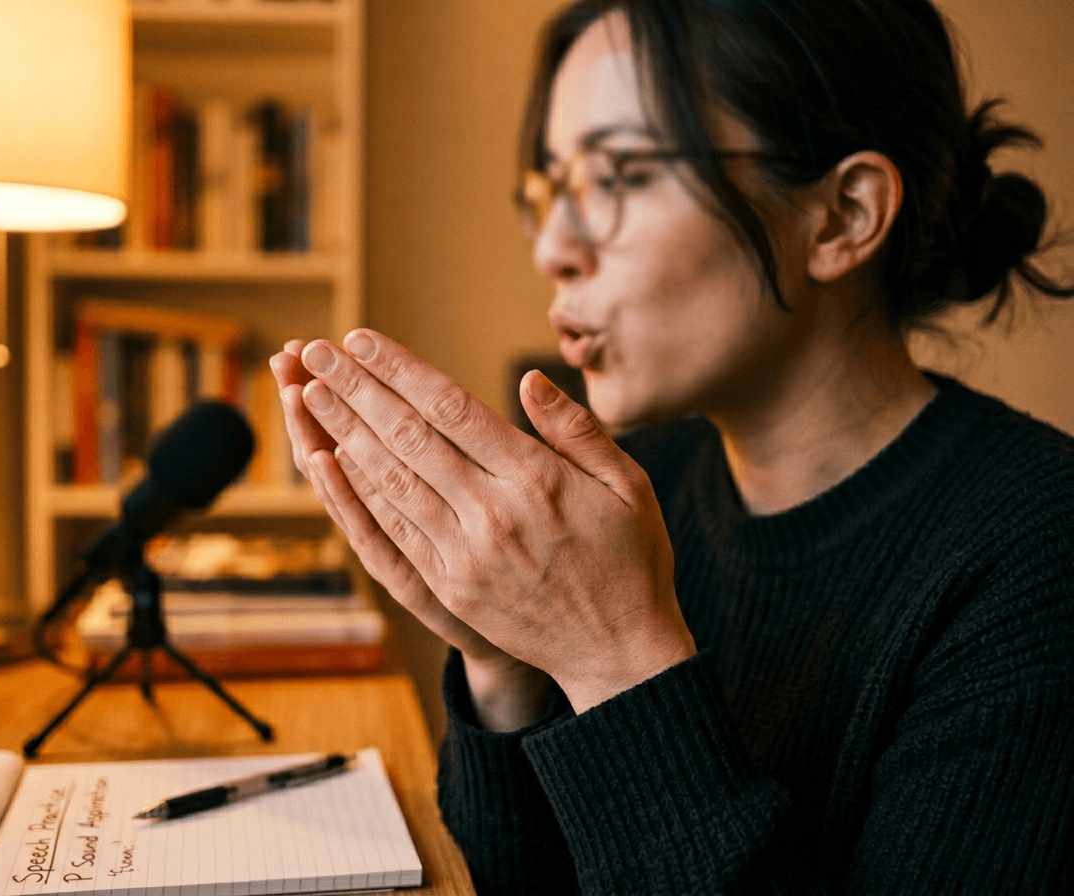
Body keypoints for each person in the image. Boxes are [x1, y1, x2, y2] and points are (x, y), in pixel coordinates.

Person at [271, 0, 1074, 891]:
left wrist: (616, 659)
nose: (554, 248)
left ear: (843, 216)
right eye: (549, 188)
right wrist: (506, 666)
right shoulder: (650, 483)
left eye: (620, 175)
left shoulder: (1041, 553)